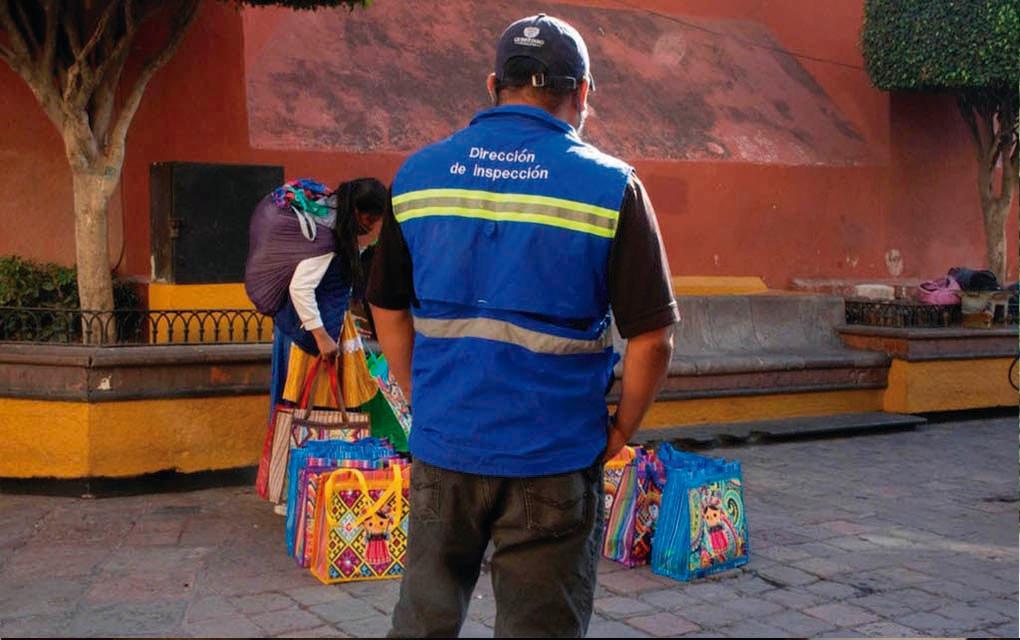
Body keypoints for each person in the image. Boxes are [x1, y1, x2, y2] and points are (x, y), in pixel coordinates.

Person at [368, 14, 678, 637]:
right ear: (583, 92)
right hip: (554, 454)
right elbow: (652, 338)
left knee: (422, 621)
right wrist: (622, 427)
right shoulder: (612, 186)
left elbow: (387, 308)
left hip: (445, 445)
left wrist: (424, 396)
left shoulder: (418, 175)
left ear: (493, 84)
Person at [245, 177, 388, 429]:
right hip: (308, 336)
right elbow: (300, 288)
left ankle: (305, 462)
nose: (371, 226)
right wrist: (321, 336)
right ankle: (304, 464)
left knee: (306, 410)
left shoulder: (334, 220)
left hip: (312, 329)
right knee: (305, 409)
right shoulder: (325, 237)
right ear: (356, 210)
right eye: (369, 220)